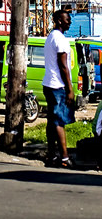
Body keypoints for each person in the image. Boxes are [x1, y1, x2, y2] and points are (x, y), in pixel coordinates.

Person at [42, 9, 75, 168]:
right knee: (59, 122)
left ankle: (51, 154)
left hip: (48, 84)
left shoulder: (51, 37)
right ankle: (64, 157)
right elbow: (63, 67)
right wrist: (69, 89)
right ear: (59, 21)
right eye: (67, 19)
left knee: (51, 121)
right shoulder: (60, 39)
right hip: (58, 86)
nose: (69, 21)